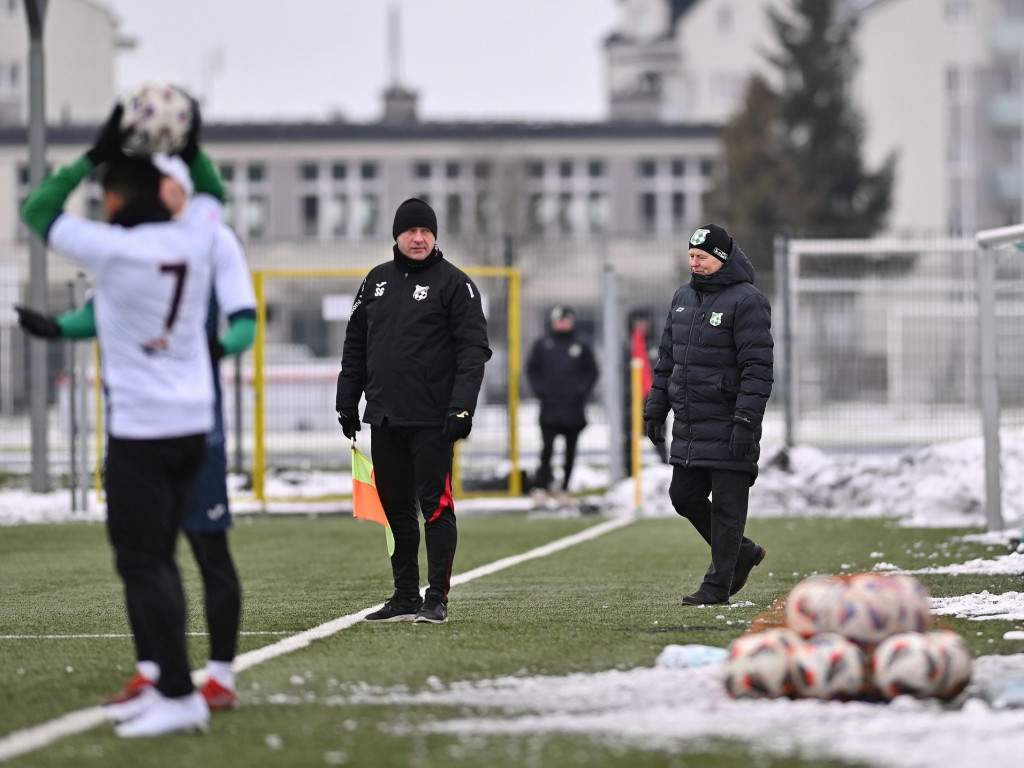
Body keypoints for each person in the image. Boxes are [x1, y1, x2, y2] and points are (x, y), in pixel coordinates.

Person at [18, 100, 248, 737]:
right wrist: (193, 139)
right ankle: (169, 684)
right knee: (162, 561)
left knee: (146, 561)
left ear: (116, 198)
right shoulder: (201, 233)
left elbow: (37, 210)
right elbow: (212, 190)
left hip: (142, 429)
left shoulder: (113, 249)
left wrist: (93, 153)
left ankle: (180, 693)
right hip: (192, 422)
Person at [335, 198, 491, 624]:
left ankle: (435, 599)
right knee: (395, 510)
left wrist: (462, 408)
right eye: (410, 231)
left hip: (433, 421)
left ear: (435, 236)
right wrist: (347, 398)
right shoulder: (375, 281)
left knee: (435, 507)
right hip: (384, 417)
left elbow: (473, 351)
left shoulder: (455, 284)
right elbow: (354, 345)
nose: (418, 238)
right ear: (397, 236)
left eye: (425, 231)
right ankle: (404, 595)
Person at [643, 224, 772, 606]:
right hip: (691, 425)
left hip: (732, 425)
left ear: (722, 258)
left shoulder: (747, 300)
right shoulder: (683, 297)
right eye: (691, 258)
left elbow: (757, 367)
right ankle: (744, 552)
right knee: (683, 496)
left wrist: (747, 421)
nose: (694, 264)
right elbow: (668, 358)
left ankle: (717, 587)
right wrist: (655, 408)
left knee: (729, 510)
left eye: (701, 258)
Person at [525, 305, 598, 506]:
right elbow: (531, 370)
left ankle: (565, 488)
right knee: (546, 448)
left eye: (566, 320)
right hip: (549, 407)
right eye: (559, 320)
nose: (562, 324)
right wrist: (541, 392)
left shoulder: (581, 344)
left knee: (570, 449)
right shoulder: (543, 343)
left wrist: (580, 392)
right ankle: (542, 487)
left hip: (573, 408)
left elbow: (592, 372)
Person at [622, 309, 668, 476]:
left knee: (658, 431)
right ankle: (629, 471)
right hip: (632, 399)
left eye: (645, 321)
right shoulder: (627, 346)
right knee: (630, 434)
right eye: (638, 322)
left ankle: (663, 466)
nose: (642, 325)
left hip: (653, 397)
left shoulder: (657, 344)